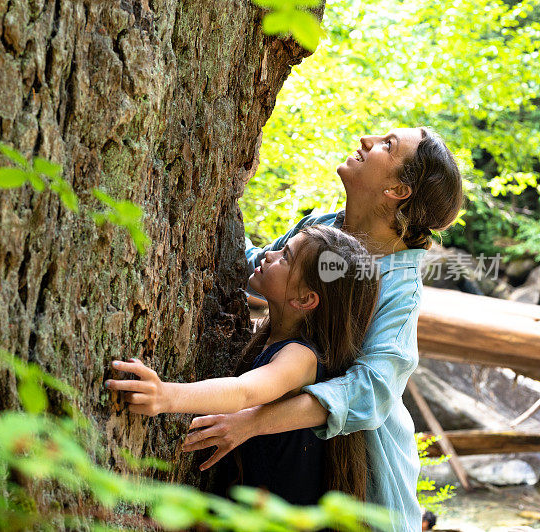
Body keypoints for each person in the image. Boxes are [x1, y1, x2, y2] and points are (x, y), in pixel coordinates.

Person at [181, 127, 464, 531]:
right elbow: (256, 265)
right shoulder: (324, 226)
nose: (366, 139)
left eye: (387, 145)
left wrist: (255, 420)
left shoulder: (399, 286)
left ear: (398, 190)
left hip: (352, 465)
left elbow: (373, 391)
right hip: (275, 438)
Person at [106, 225, 380, 505]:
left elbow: (244, 392)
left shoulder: (301, 357)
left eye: (285, 257)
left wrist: (166, 396)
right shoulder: (274, 337)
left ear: (305, 299)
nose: (270, 255)